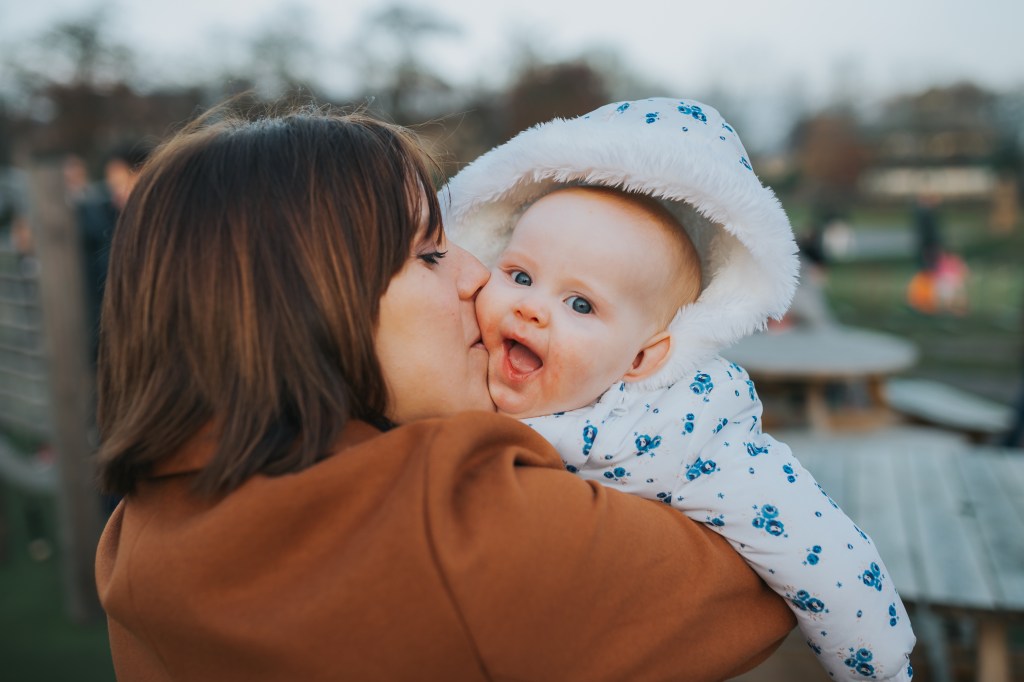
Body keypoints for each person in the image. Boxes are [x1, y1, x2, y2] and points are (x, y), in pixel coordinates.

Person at [94, 103, 796, 681]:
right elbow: (759, 581)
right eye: (429, 254)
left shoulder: (134, 532)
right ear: (302, 300)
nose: (476, 278)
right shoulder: (452, 514)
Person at [444, 98, 916, 681]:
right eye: (519, 275)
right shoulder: (457, 369)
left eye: (580, 303)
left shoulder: (678, 432)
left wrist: (882, 668)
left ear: (643, 356)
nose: (532, 309)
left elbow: (817, 543)